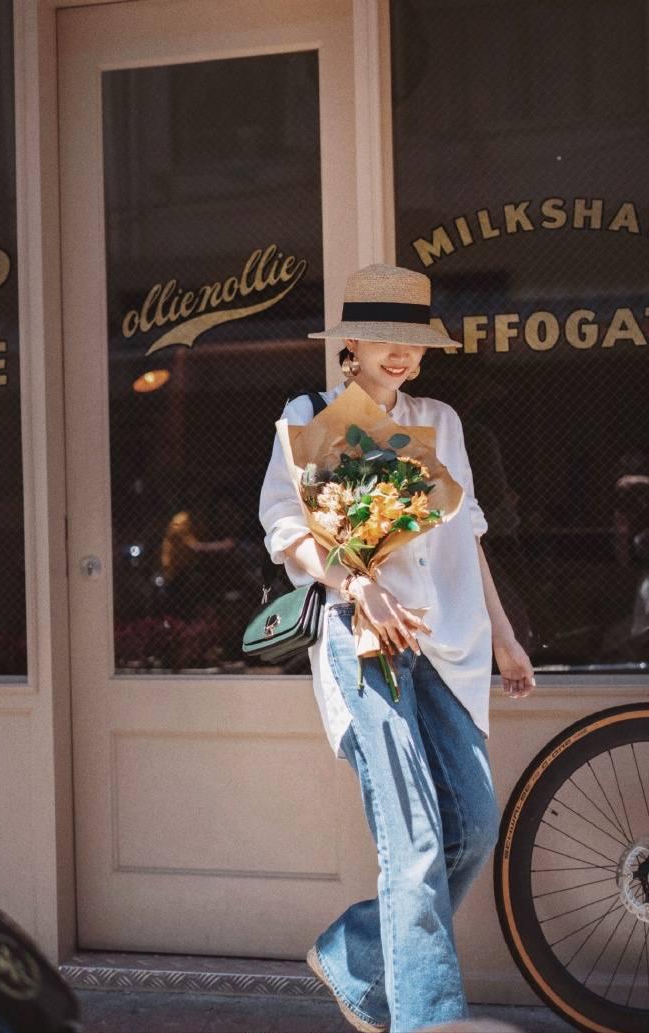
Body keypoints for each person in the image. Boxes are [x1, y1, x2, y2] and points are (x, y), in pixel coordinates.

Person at [258, 263, 536, 1033]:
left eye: (416, 343)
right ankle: (430, 1020)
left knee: (473, 825)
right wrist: (357, 587)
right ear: (352, 341)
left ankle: (353, 950)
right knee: (411, 845)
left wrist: (506, 637)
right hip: (365, 642)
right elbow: (286, 531)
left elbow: (467, 535)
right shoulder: (312, 412)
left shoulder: (440, 420)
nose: (403, 355)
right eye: (389, 340)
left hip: (445, 644)